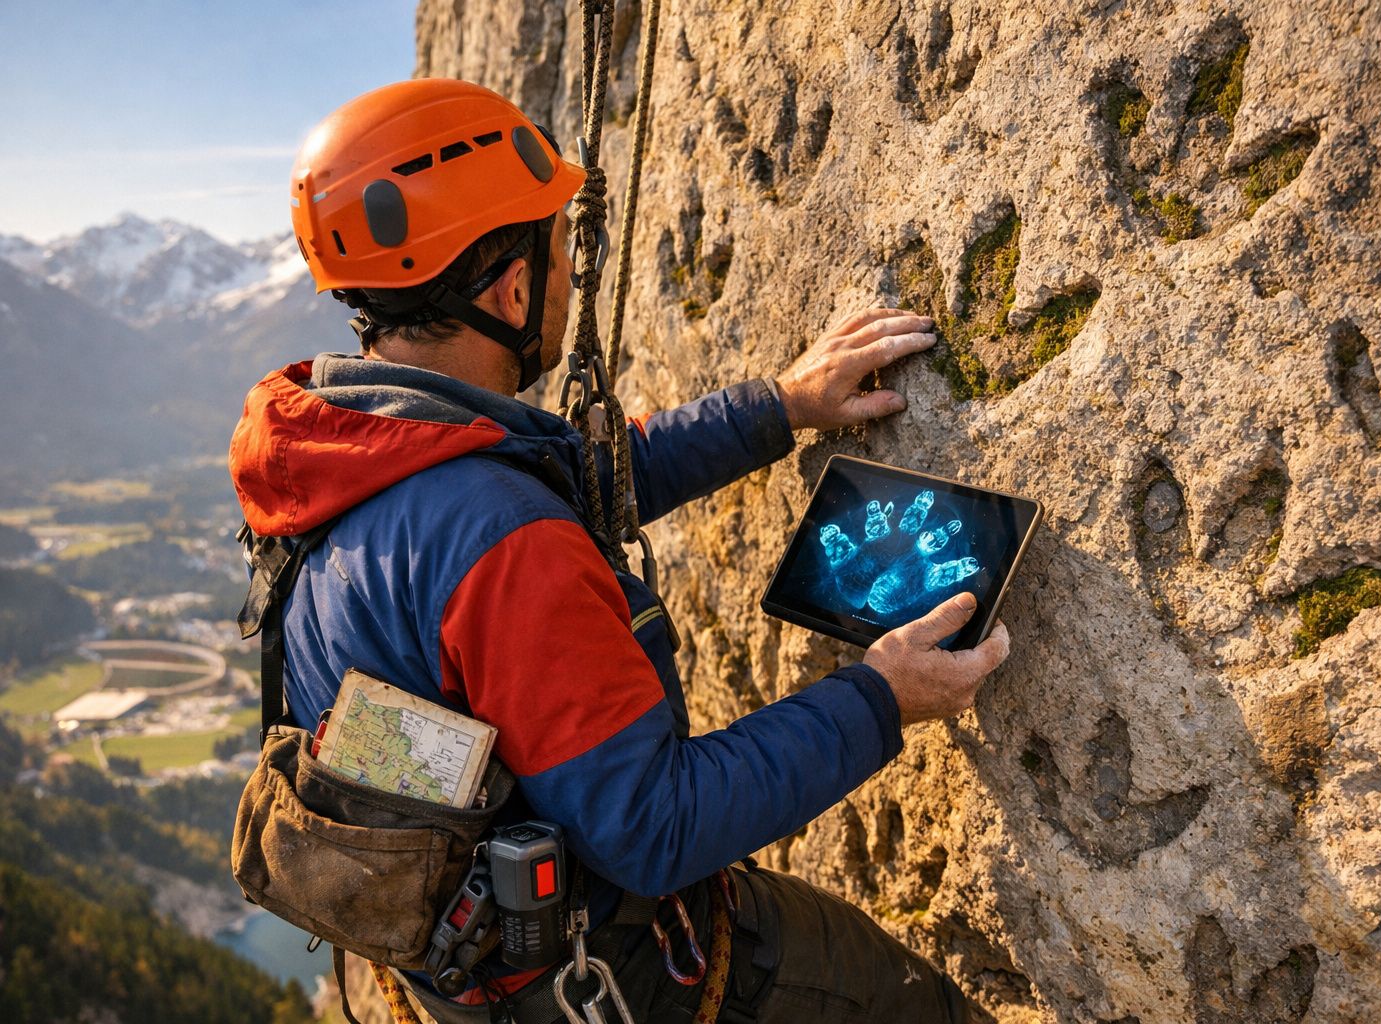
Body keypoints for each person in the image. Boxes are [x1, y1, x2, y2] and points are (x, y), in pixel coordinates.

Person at [229, 78, 1010, 1024]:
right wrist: (882, 697)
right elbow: (657, 830)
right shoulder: (503, 543)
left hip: (464, 968)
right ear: (515, 289)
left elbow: (576, 478)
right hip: (618, 975)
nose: (570, 271)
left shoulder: (341, 450)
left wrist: (781, 406)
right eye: (563, 247)